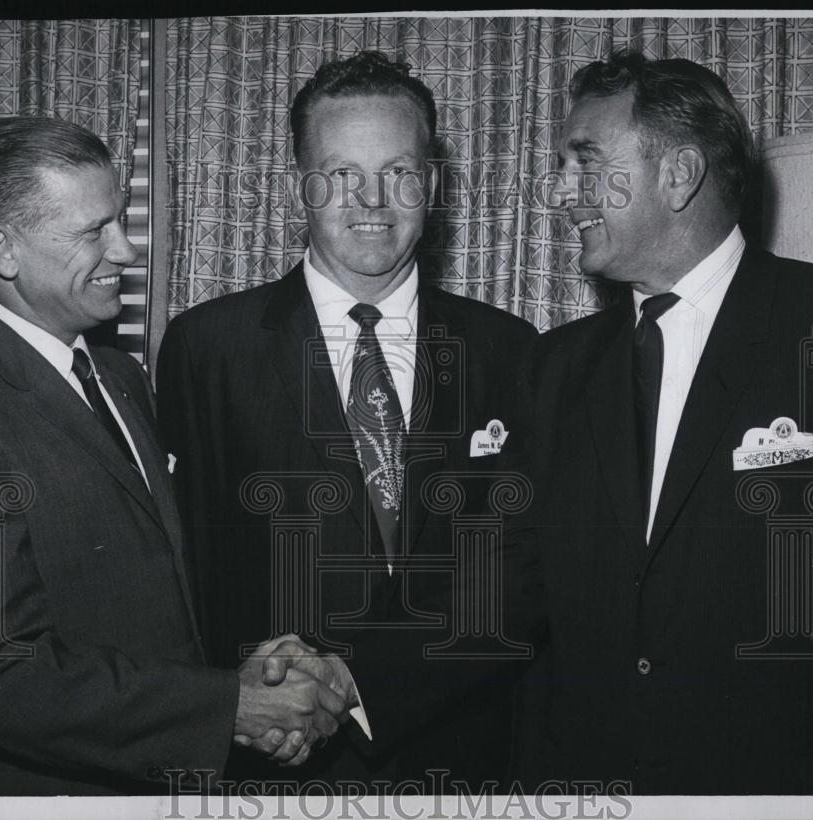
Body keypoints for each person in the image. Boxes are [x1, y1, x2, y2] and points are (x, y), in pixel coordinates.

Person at [271, 50, 813, 795]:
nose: (561, 191)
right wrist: (349, 681)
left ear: (679, 174)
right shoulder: (554, 368)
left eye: (585, 163)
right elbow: (503, 580)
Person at [0, 116, 347, 796]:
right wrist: (230, 707)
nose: (126, 249)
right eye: (93, 231)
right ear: (3, 250)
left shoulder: (117, 374)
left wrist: (252, 672)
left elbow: (145, 598)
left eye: (120, 221)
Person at [155, 51, 537, 789]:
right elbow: (189, 569)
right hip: (274, 763)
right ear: (299, 186)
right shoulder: (209, 347)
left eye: (397, 171)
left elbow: (517, 570)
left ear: (432, 183)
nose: (372, 200)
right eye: (339, 175)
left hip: (464, 761)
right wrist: (242, 700)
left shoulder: (508, 350)